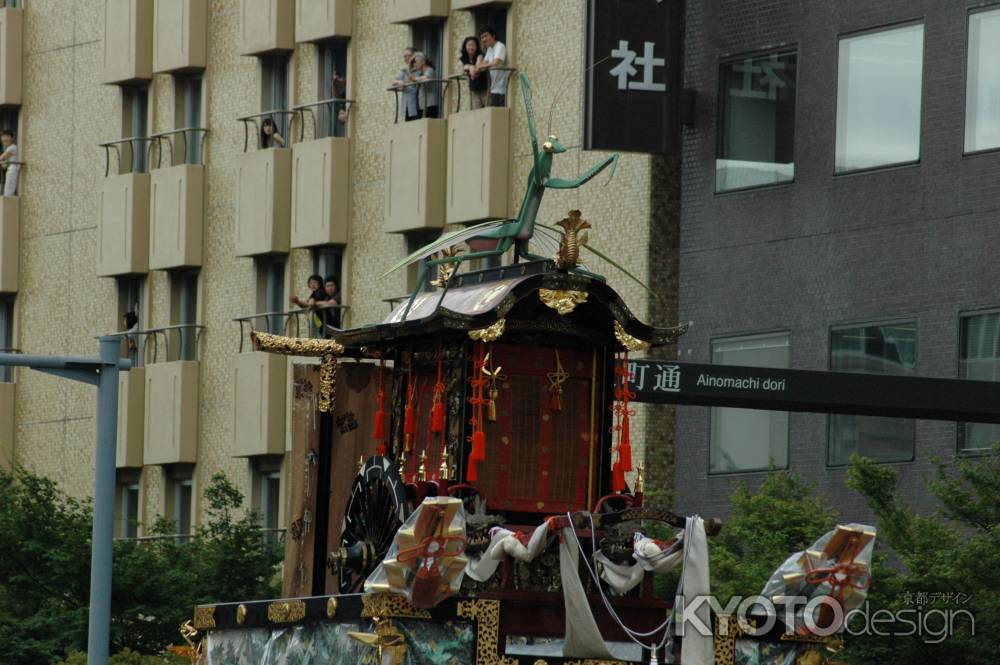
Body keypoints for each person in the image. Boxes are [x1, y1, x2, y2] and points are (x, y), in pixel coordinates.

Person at [478, 26, 509, 107]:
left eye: (486, 36)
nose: (484, 39)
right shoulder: (489, 49)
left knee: (500, 115)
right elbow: (482, 64)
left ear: (493, 36)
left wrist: (481, 66)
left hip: (502, 88)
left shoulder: (499, 46)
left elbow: (496, 62)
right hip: (494, 88)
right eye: (482, 37)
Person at [391, 47, 420, 122]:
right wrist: (399, 82)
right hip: (407, 103)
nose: (406, 58)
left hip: (418, 102)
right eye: (404, 56)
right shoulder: (404, 70)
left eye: (408, 56)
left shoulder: (419, 68)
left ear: (414, 56)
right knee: (409, 124)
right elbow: (393, 81)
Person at [460, 36, 489, 110]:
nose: (471, 47)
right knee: (476, 109)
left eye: (473, 45)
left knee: (487, 107)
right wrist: (470, 67)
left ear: (477, 46)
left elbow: (477, 67)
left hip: (484, 84)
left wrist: (471, 69)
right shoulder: (464, 57)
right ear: (465, 46)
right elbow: (465, 67)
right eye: (469, 45)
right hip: (474, 85)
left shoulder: (480, 54)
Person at [411, 52, 440, 119]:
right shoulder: (420, 73)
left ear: (423, 62)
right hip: (422, 104)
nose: (415, 64)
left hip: (430, 103)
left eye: (416, 61)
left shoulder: (430, 70)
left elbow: (426, 78)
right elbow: (410, 78)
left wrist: (415, 78)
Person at [0, 129, 20, 196]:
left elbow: (2, 158)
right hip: (10, 171)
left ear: (12, 138)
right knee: (7, 191)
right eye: (3, 137)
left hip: (12, 171)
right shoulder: (8, 148)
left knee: (8, 193)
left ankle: (8, 206)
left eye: (7, 136)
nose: (5, 139)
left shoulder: (12, 147)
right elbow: (4, 164)